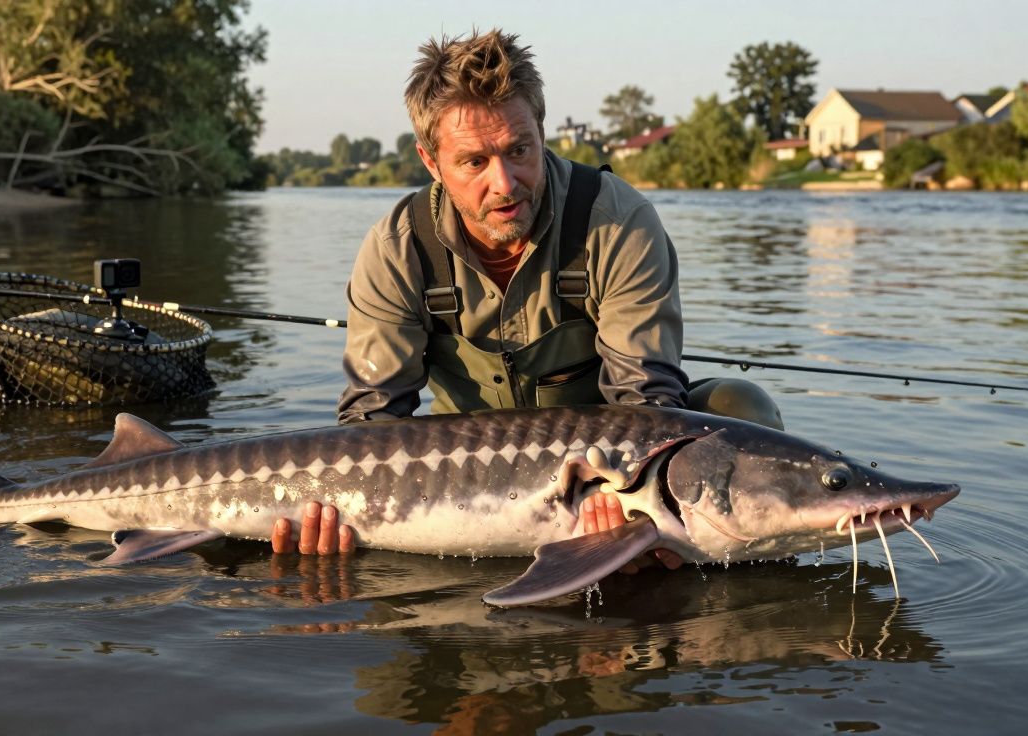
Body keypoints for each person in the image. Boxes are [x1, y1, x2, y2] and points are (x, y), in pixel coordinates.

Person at [272, 29, 781, 562]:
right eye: (474, 162)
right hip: (457, 469)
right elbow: (372, 422)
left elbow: (646, 403)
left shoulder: (618, 221)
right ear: (431, 162)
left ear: (542, 131)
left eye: (519, 150)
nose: (505, 183)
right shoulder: (398, 247)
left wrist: (634, 513)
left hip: (600, 464)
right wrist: (328, 515)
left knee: (741, 415)